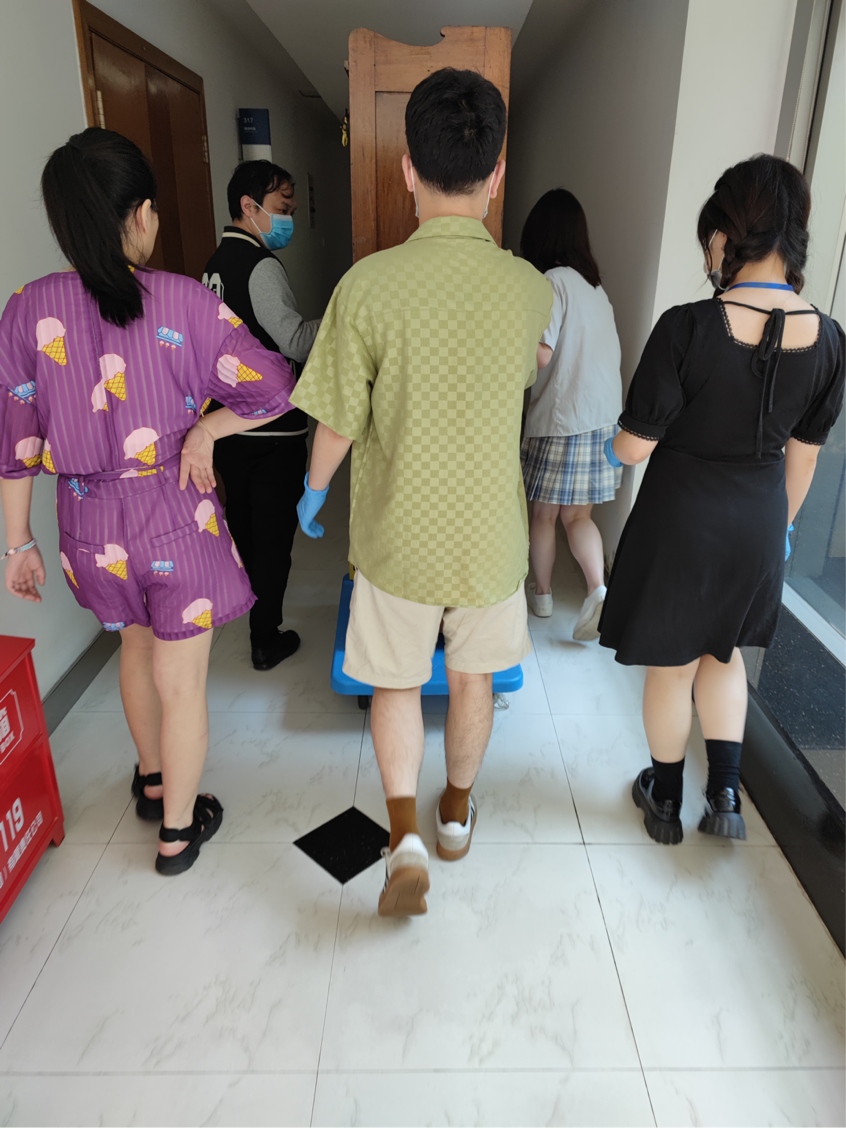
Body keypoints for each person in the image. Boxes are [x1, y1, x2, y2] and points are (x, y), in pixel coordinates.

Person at [290, 68, 552, 917]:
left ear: (408, 168)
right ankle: (455, 816)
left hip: (398, 532)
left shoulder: (366, 286)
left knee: (396, 683)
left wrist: (314, 491)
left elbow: (337, 422)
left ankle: (401, 833)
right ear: (497, 172)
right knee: (474, 681)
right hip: (489, 536)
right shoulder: (530, 288)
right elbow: (526, 372)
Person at [0, 129, 296, 874]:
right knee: (181, 679)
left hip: (88, 527)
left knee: (133, 647)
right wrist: (208, 429)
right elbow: (276, 387)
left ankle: (153, 778)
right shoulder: (184, 301)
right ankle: (177, 831)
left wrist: (18, 544)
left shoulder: (27, 309)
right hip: (175, 514)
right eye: (153, 209)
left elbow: (15, 442)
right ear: (138, 215)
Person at [599, 154, 845, 845]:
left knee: (673, 666)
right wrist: (779, 530)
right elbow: (803, 457)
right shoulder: (830, 340)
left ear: (722, 237)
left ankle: (666, 799)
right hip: (760, 525)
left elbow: (634, 447)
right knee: (725, 655)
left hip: (682, 524)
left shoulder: (688, 326)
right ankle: (726, 796)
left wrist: (610, 445)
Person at [203, 161, 320, 671]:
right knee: (272, 539)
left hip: (225, 423)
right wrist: (345, 322)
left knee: (246, 529)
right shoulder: (260, 264)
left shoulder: (212, 265)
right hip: (271, 426)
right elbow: (292, 339)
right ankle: (265, 637)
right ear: (248, 206)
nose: (288, 218)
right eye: (281, 208)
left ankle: (250, 611)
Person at [520, 189, 623, 639]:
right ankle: (597, 590)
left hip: (562, 419)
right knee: (578, 517)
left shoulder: (553, 281)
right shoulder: (595, 287)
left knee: (544, 514)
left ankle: (542, 596)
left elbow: (541, 353)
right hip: (603, 419)